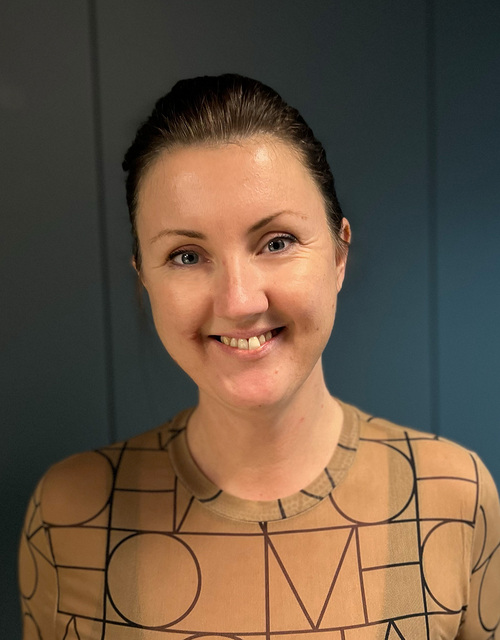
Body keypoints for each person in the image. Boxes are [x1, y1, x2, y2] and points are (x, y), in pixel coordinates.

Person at [19, 74, 500, 639]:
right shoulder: (68, 515)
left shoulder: (455, 494)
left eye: (276, 242)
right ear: (144, 279)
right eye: (186, 255)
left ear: (339, 254)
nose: (239, 301)